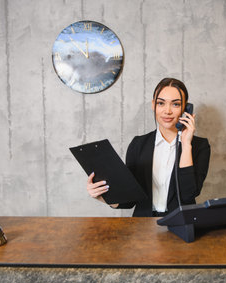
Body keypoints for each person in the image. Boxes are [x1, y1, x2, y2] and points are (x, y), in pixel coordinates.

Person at [87, 78, 210, 217]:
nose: (167, 111)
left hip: (181, 224)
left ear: (185, 108)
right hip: (142, 226)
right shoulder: (138, 144)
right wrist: (103, 196)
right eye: (161, 103)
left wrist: (186, 144)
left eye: (176, 104)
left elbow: (188, 195)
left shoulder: (200, 146)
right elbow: (130, 200)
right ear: (153, 105)